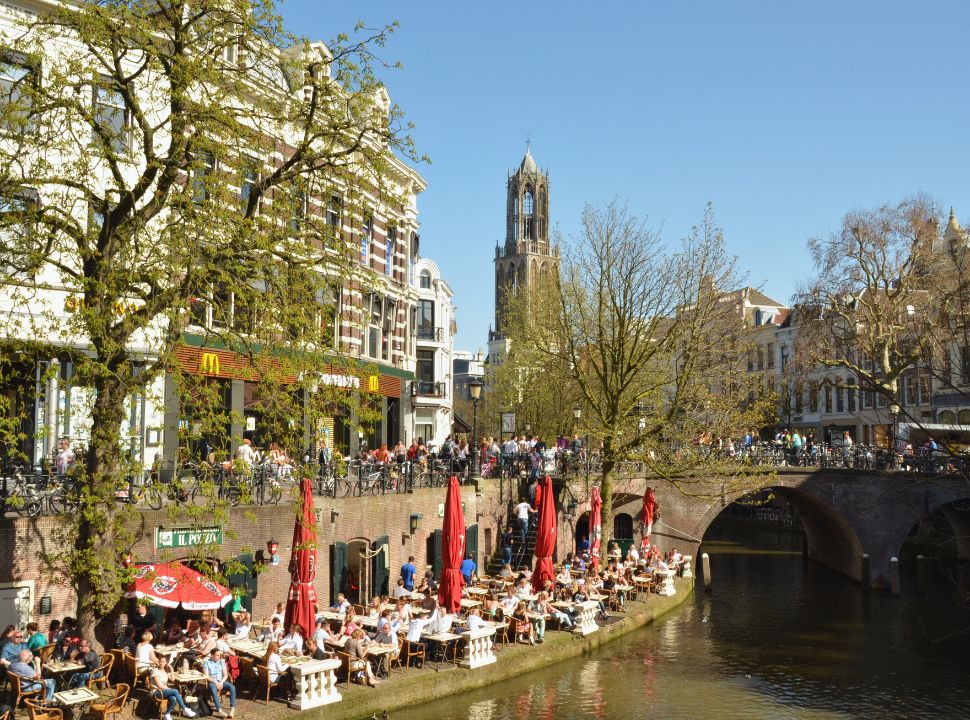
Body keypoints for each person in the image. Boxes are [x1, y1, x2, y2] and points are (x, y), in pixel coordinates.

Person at [202, 648, 237, 718]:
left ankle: (232, 709)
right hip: (212, 682)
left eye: (219, 655)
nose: (219, 657)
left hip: (221, 681)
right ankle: (220, 711)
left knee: (232, 687)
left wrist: (221, 682)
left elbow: (225, 675)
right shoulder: (206, 663)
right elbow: (206, 676)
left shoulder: (221, 662)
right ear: (212, 655)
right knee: (213, 690)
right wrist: (215, 682)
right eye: (217, 655)